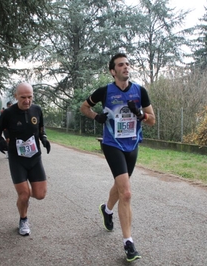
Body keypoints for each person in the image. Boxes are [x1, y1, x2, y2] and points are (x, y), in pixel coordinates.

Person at [80, 53, 155, 262]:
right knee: (127, 192)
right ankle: (128, 243)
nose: (126, 67)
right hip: (112, 144)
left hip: (132, 145)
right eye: (121, 65)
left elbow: (153, 120)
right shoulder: (105, 91)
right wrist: (97, 116)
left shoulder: (140, 91)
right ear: (113, 71)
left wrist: (141, 114)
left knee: (121, 186)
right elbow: (84, 107)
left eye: (128, 64)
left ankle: (107, 209)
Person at [0, 82, 51, 236]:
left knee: (40, 194)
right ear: (16, 96)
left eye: (30, 97)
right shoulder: (8, 113)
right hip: (17, 159)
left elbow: (41, 128)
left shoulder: (37, 109)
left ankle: (23, 196)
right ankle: (23, 219)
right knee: (24, 195)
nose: (27, 101)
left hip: (34, 158)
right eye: (23, 97)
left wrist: (44, 139)